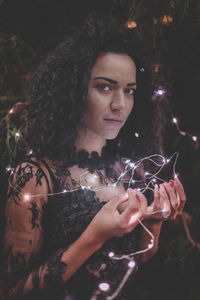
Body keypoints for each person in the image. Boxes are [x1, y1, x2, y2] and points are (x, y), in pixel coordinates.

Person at [1, 16, 186, 300]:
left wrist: (153, 223)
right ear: (73, 90)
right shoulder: (34, 177)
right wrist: (94, 236)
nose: (120, 104)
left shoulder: (127, 166)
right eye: (104, 87)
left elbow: (137, 265)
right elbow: (12, 293)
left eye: (129, 91)